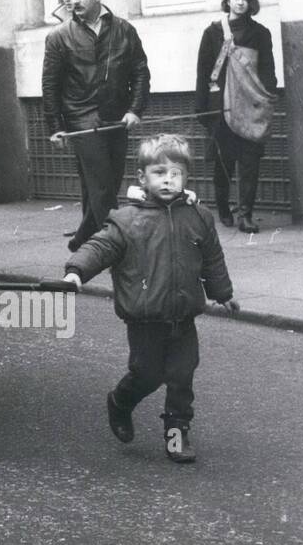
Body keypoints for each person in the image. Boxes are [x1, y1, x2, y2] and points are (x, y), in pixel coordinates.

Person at [63, 134, 239, 463]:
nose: (169, 179)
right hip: (144, 319)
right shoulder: (127, 220)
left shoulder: (199, 216)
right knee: (147, 375)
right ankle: (120, 402)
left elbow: (212, 259)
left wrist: (223, 293)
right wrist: (76, 271)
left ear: (187, 177)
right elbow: (98, 248)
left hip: (183, 316)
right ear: (142, 178)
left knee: (182, 376)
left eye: (176, 173)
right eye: (160, 172)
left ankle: (176, 436)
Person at [42, 0, 150, 252]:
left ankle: (84, 238)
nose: (71, 0)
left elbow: (140, 72)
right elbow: (50, 84)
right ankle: (118, 249)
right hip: (81, 119)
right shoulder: (58, 36)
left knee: (106, 184)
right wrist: (55, 126)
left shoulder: (124, 30)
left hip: (117, 117)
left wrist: (135, 110)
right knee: (102, 186)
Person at [195, 0, 277, 233]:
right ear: (228, 0)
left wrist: (265, 95)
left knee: (251, 162)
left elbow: (267, 71)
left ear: (251, 3)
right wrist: (202, 108)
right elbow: (203, 71)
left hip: (250, 106)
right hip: (221, 108)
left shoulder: (261, 34)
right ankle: (223, 209)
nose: (241, 3)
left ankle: (246, 215)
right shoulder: (213, 33)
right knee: (224, 163)